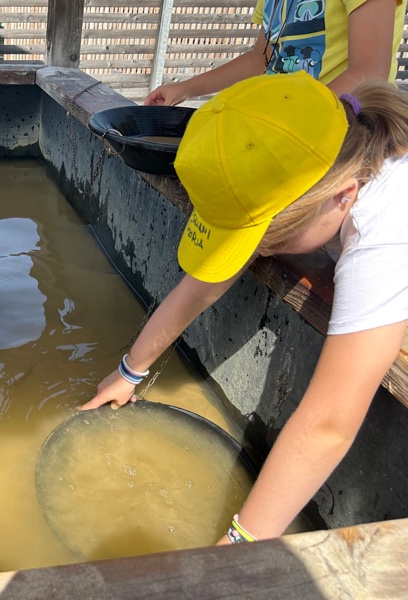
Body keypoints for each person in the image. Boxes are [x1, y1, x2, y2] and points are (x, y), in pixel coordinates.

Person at [80, 71, 408, 543]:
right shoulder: (314, 143)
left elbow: (331, 423)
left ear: (342, 197)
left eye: (265, 239)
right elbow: (204, 284)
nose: (262, 252)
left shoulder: (385, 228)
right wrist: (129, 371)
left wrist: (241, 543)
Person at [144, 0, 404, 105]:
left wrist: (289, 116)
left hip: (340, 142)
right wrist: (184, 89)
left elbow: (369, 72)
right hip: (281, 129)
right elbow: (261, 58)